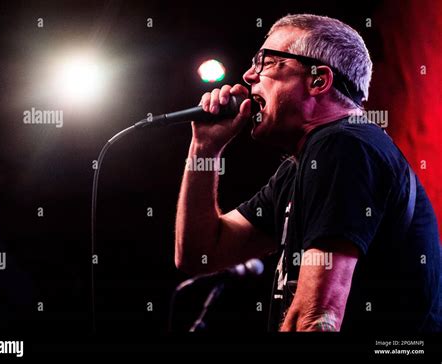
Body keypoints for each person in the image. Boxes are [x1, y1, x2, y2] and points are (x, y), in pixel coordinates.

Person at [174, 14, 440, 332]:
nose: (248, 76)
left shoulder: (343, 145)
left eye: (267, 63)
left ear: (318, 80)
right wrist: (204, 149)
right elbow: (200, 253)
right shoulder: (301, 166)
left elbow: (317, 319)